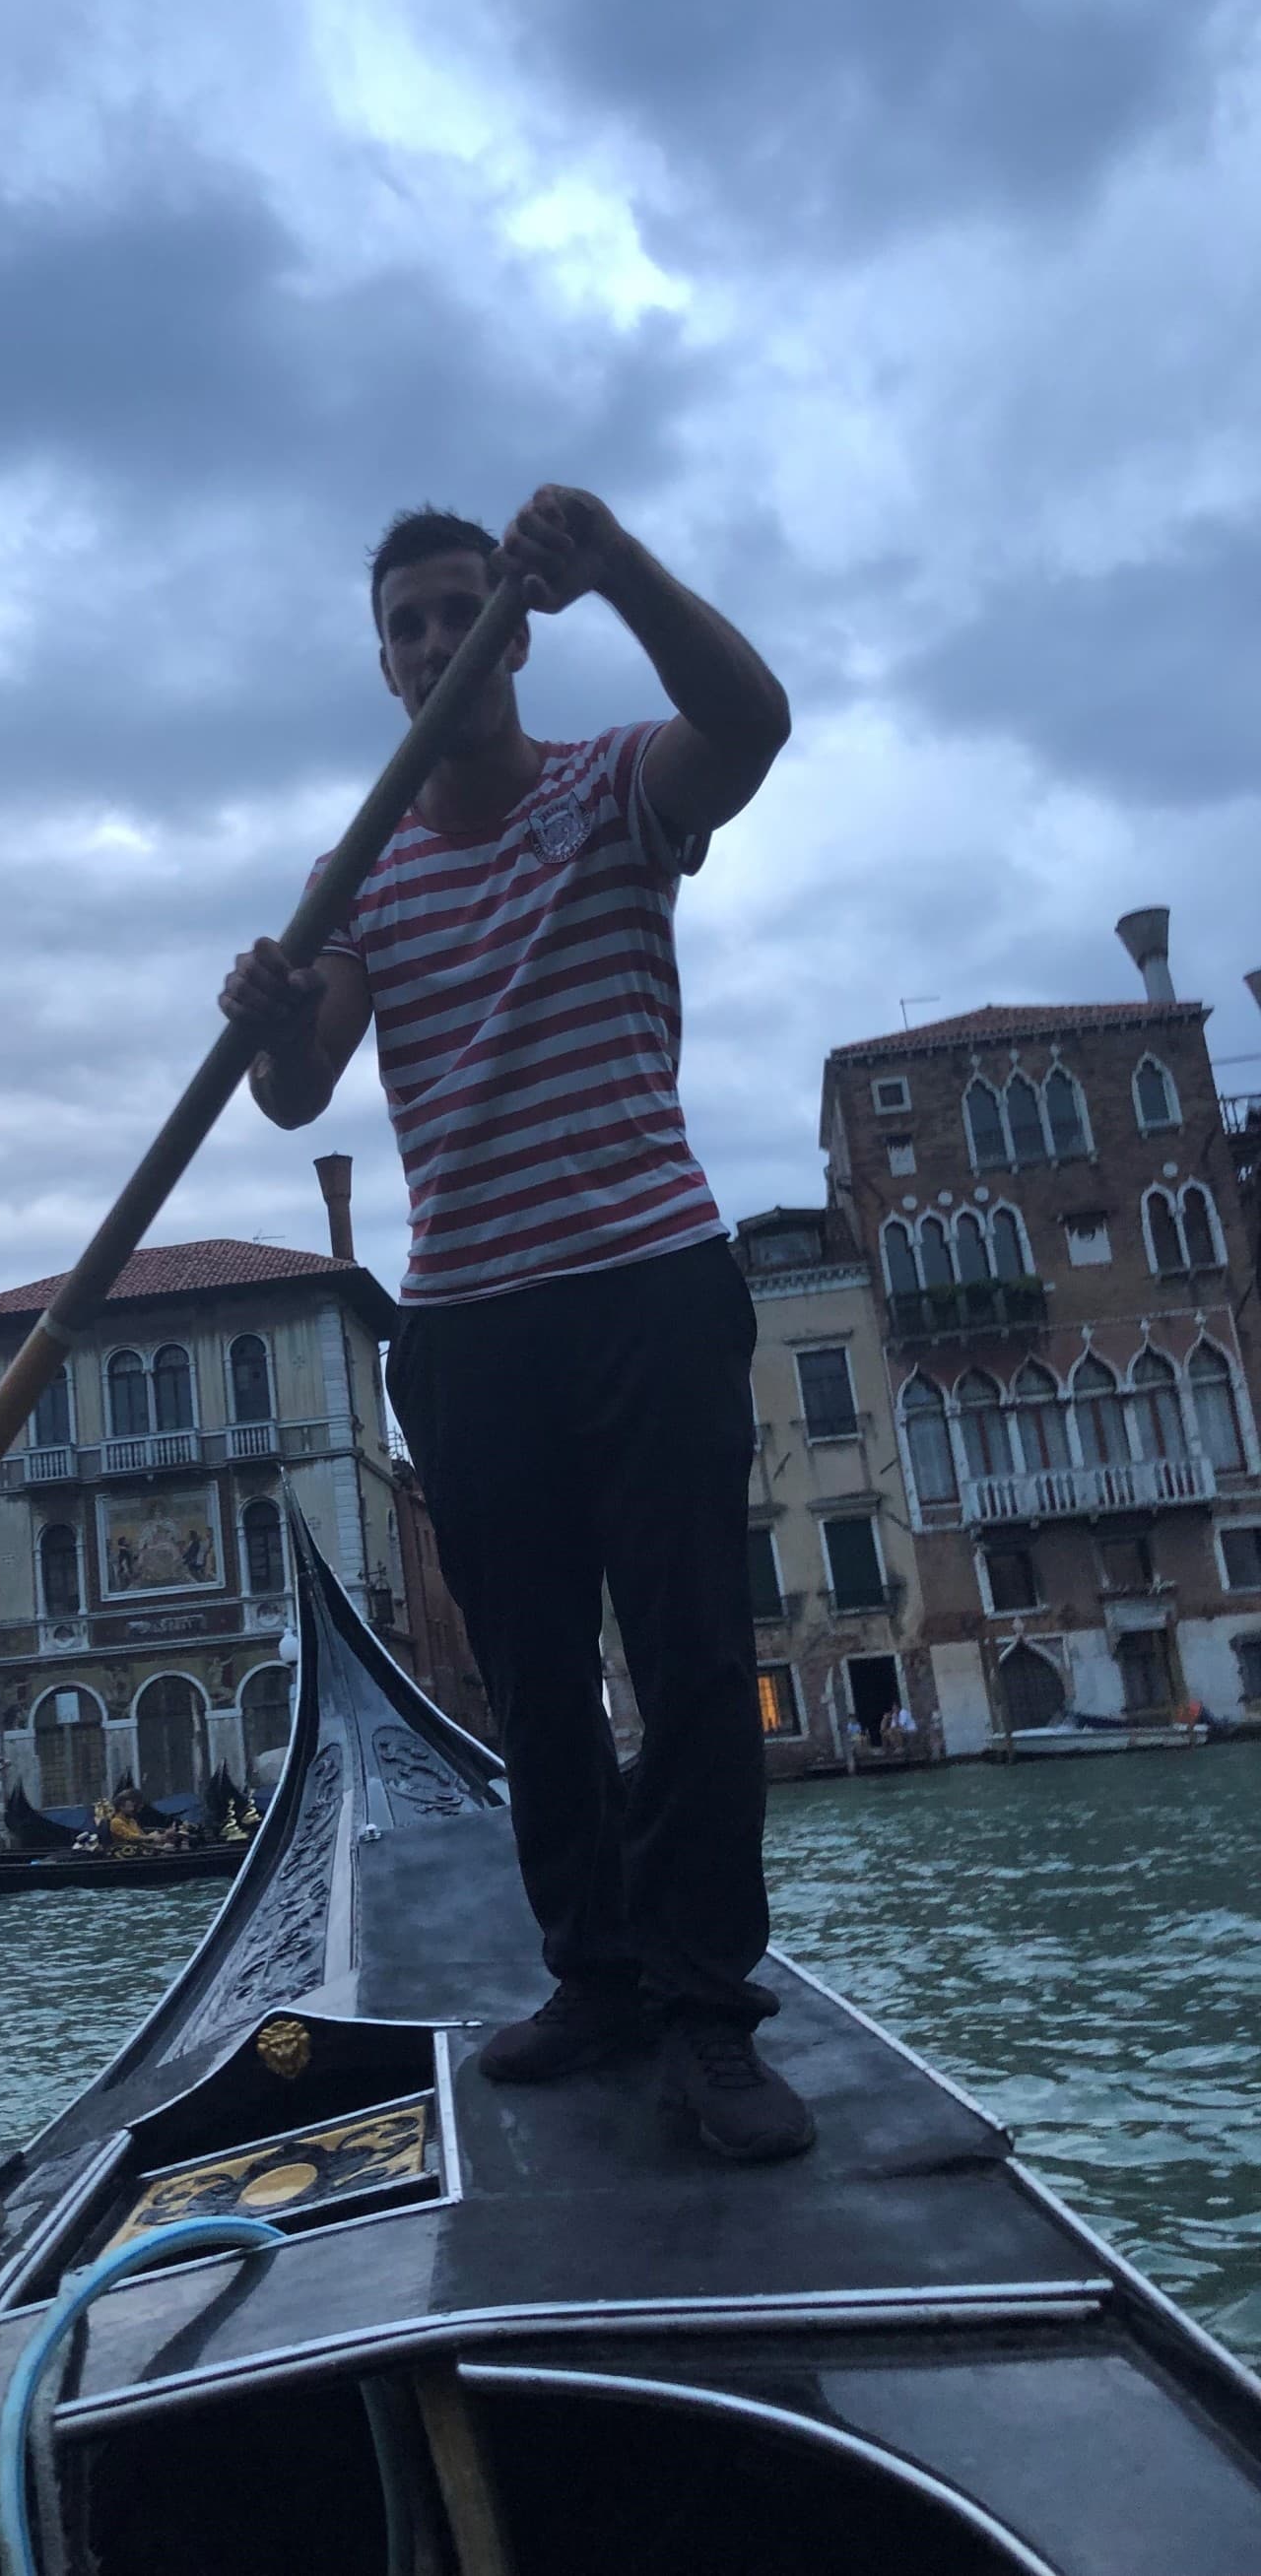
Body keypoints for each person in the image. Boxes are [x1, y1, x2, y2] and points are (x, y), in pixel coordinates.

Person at [220, 488, 812, 2163]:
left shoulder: (614, 784)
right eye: (405, 624)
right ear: (387, 668)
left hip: (646, 1279)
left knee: (692, 1660)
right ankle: (596, 1976)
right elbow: (298, 1090)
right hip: (469, 1324)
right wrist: (266, 1019)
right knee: (536, 1681)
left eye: (458, 608)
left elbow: (753, 723)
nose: (434, 641)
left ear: (516, 627)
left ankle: (707, 2008)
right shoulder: (361, 873)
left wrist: (616, 563)